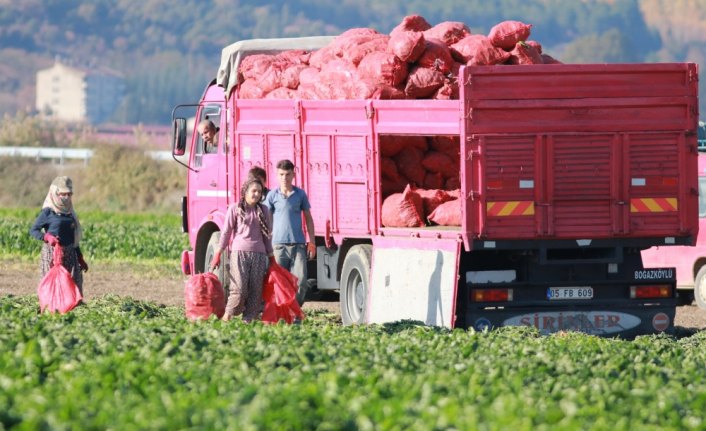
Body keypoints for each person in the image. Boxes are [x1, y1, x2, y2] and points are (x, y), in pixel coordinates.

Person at [210, 177, 273, 322]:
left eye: (259, 192)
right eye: (254, 191)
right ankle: (227, 317)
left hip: (259, 255)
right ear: (245, 192)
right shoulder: (235, 208)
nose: (256, 194)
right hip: (239, 254)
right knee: (239, 289)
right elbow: (226, 232)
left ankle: (248, 321)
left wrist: (271, 257)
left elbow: (267, 236)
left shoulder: (264, 210)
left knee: (256, 290)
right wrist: (218, 253)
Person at [265, 159, 316, 306]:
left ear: (293, 174)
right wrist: (265, 241)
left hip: (298, 245)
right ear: (277, 175)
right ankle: (282, 313)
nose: (284, 178)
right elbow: (265, 219)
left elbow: (308, 218)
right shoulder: (272, 196)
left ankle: (295, 310)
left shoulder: (300, 194)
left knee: (301, 281)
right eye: (281, 174)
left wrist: (311, 242)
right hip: (278, 246)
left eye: (287, 174)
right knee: (280, 282)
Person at [29, 176, 88, 295]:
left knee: (72, 288)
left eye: (69, 194)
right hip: (53, 254)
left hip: (70, 255)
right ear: (55, 194)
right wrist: (46, 237)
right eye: (63, 194)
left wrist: (80, 257)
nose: (66, 197)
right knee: (53, 289)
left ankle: (71, 312)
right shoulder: (48, 212)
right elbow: (33, 230)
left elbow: (73, 238)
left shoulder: (70, 213)